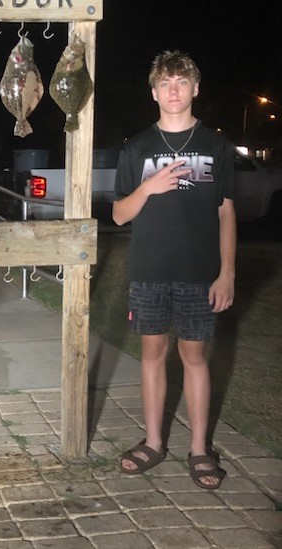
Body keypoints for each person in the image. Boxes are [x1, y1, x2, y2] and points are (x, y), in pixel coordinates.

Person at [112, 51, 236, 490]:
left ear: (195, 89)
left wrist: (227, 273)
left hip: (200, 274)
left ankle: (200, 448)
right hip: (150, 271)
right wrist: (149, 186)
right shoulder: (137, 148)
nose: (173, 90)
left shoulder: (217, 146)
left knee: (195, 357)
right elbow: (119, 216)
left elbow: (225, 213)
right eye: (165, 83)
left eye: (181, 82)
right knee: (151, 354)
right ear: (153, 92)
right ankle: (153, 442)